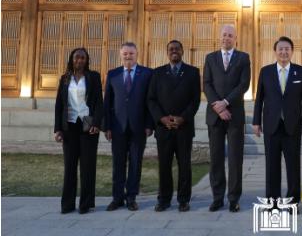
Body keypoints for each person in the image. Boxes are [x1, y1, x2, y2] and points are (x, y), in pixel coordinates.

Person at [252, 36, 302, 205]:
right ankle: (273, 202)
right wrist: (256, 122)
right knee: (272, 166)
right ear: (275, 51)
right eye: (281, 49)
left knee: (293, 166)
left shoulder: (300, 71)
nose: (284, 52)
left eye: (287, 49)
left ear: (292, 51)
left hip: (293, 126)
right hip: (272, 125)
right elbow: (259, 99)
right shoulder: (265, 71)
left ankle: (293, 202)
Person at [147, 40, 201, 212]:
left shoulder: (193, 72)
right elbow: (151, 99)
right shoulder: (157, 73)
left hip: (184, 128)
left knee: (184, 165)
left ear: (182, 51)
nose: (174, 51)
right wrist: (162, 118)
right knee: (164, 165)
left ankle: (184, 199)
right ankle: (164, 199)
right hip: (164, 128)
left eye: (177, 48)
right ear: (167, 52)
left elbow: (195, 100)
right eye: (171, 49)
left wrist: (182, 118)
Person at [203, 25, 251, 213]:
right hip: (215, 116)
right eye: (224, 35)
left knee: (235, 159)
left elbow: (244, 84)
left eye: (230, 35)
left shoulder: (243, 58)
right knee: (216, 158)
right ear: (219, 37)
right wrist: (218, 106)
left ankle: (233, 198)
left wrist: (225, 102)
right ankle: (217, 198)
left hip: (234, 115)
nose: (226, 38)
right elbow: (206, 84)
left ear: (235, 38)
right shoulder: (210, 58)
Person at [104, 42, 154, 212]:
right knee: (118, 163)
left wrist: (149, 124)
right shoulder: (113, 74)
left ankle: (131, 197)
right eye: (125, 53)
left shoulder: (147, 73)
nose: (128, 56)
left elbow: (150, 101)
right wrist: (107, 127)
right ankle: (117, 198)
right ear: (120, 55)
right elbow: (107, 102)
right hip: (117, 127)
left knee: (135, 163)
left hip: (138, 127)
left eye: (131, 53)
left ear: (136, 54)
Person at [53, 47, 103, 214]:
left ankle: (85, 204)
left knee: (88, 167)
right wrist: (58, 129)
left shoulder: (93, 77)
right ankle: (67, 204)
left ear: (86, 60)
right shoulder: (65, 78)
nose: (79, 60)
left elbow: (99, 102)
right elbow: (59, 105)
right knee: (70, 166)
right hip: (70, 125)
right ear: (71, 59)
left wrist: (97, 123)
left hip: (88, 124)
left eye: (82, 57)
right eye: (76, 57)